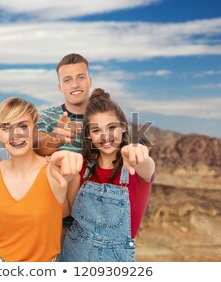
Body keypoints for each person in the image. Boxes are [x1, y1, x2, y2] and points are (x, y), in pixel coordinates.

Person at [0, 97, 83, 262]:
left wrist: (71, 163)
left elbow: (66, 210)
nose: (15, 134)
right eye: (6, 127)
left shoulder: (54, 171)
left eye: (23, 126)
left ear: (35, 130)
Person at [59, 88, 155, 262]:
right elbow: (65, 212)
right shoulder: (82, 166)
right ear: (89, 135)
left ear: (123, 127)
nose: (105, 136)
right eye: (96, 130)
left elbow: (147, 165)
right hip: (74, 253)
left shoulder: (136, 168)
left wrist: (140, 155)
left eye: (112, 127)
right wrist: (62, 181)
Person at [35, 53, 93, 242]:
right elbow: (38, 146)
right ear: (60, 87)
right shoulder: (47, 117)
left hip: (96, 221)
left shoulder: (106, 117)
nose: (75, 84)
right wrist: (56, 138)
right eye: (67, 80)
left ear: (89, 81)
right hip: (56, 221)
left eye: (80, 77)